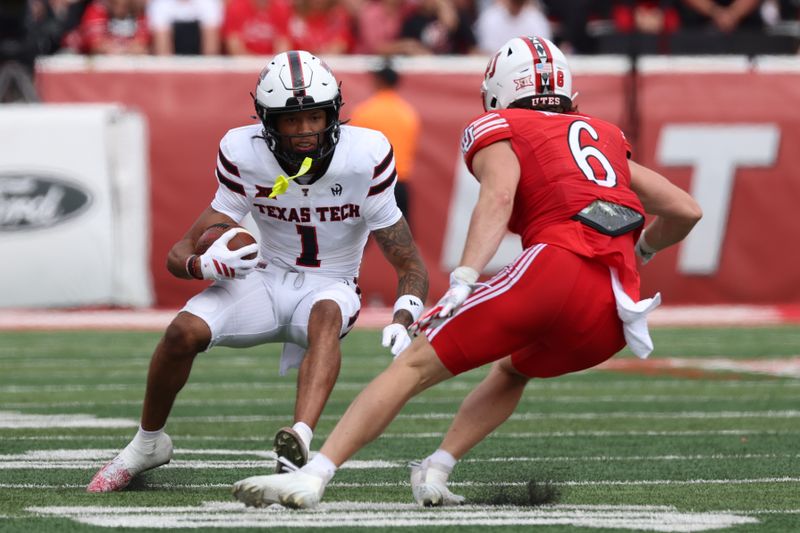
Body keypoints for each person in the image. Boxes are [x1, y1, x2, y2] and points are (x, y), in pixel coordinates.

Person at [231, 36, 702, 509]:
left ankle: (313, 476)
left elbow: (498, 196)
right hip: (617, 307)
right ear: (568, 96)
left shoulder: (502, 123)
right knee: (511, 371)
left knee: (413, 364)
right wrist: (640, 251)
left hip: (556, 268)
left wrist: (464, 278)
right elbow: (685, 210)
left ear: (497, 91)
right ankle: (436, 467)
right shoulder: (603, 132)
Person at [87, 50, 428, 493]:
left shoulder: (364, 157)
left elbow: (410, 263)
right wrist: (202, 264)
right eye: (291, 120)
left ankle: (297, 445)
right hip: (265, 279)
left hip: (332, 282)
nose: (306, 131)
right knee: (180, 333)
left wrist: (406, 314)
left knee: (325, 315)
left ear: (334, 113)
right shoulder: (244, 154)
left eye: (316, 117)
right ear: (268, 122)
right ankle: (147, 443)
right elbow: (180, 251)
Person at [349, 60, 420, 226]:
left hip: (369, 184)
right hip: (399, 183)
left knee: (356, 240)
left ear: (379, 80)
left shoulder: (364, 112)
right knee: (404, 242)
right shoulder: (408, 113)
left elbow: (352, 152)